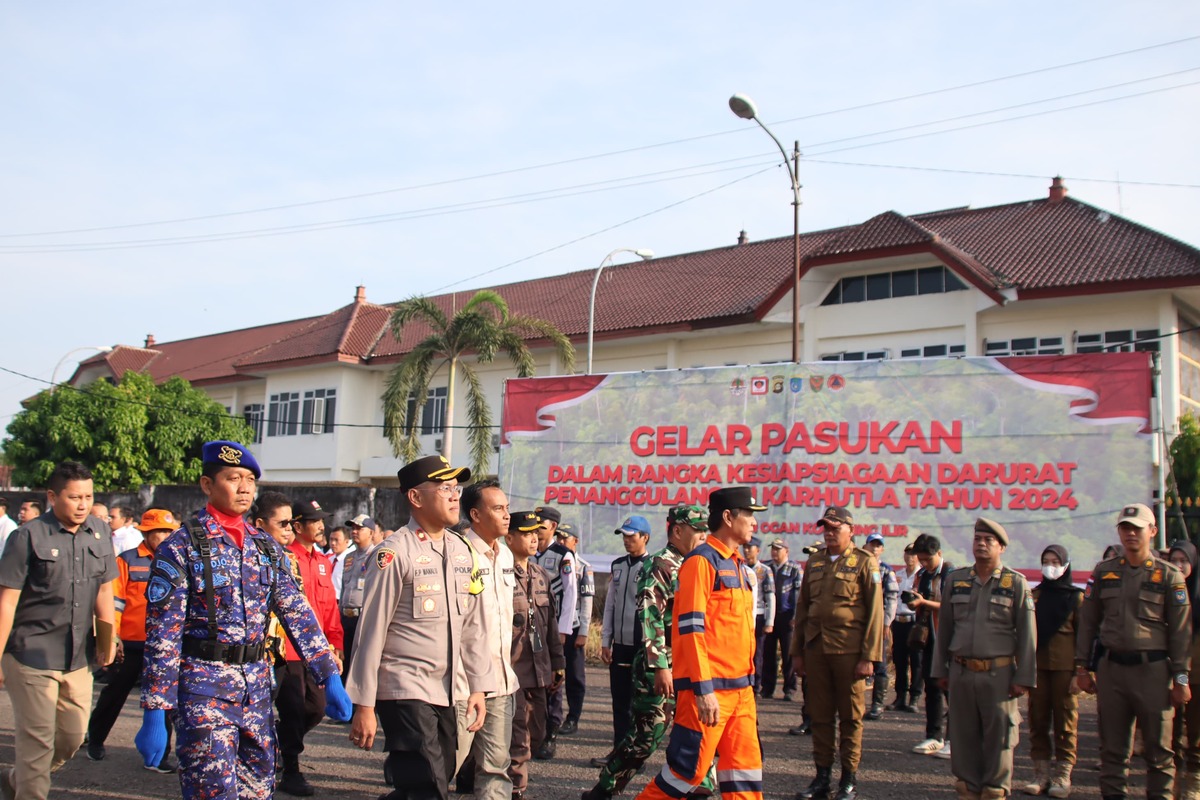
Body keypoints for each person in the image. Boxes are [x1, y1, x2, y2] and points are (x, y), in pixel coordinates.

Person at [135, 440, 351, 800]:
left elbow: (297, 612)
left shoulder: (266, 548)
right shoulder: (181, 547)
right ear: (207, 485)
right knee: (213, 792)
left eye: (250, 479)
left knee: (258, 790)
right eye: (234, 478)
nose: (245, 487)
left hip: (257, 689)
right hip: (204, 690)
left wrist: (328, 674)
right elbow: (163, 634)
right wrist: (156, 709)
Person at [346, 454, 493, 800]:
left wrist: (478, 686)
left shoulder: (461, 550)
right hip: (404, 687)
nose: (456, 495)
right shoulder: (394, 553)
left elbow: (470, 625)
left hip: (447, 690)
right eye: (445, 488)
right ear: (415, 497)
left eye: (456, 487)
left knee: (434, 778)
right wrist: (364, 705)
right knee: (429, 787)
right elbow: (371, 630)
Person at [631, 486, 766, 800]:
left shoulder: (740, 567)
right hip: (710, 691)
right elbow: (690, 631)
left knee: (744, 774)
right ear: (729, 517)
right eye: (749, 515)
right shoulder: (700, 563)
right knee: (685, 772)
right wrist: (703, 691)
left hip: (741, 691)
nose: (754, 523)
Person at [0, 461, 117, 800]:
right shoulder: (27, 537)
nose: (82, 504)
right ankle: (28, 787)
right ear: (53, 496)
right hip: (30, 655)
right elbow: (6, 602)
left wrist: (108, 640)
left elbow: (105, 590)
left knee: (72, 738)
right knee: (38, 742)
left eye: (88, 496)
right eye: (73, 497)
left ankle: (15, 780)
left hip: (78, 657)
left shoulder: (100, 532)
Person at [584, 503, 713, 800]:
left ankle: (702, 785)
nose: (704, 535)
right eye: (698, 530)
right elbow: (650, 615)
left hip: (690, 664)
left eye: (706, 530)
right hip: (661, 664)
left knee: (697, 728)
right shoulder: (660, 564)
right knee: (646, 735)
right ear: (678, 530)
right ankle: (604, 788)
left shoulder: (699, 563)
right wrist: (660, 665)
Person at [1075, 503, 1192, 800]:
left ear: (1152, 532)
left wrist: (1180, 677)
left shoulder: (1169, 576)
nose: (1130, 534)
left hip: (1152, 671)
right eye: (1125, 528)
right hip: (1112, 670)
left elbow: (1180, 632)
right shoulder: (1104, 572)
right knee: (1112, 752)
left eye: (1137, 528)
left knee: (1159, 753)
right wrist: (1081, 666)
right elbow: (1088, 621)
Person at [930, 518, 1036, 800]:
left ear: (1001, 547)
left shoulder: (1016, 583)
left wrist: (1024, 677)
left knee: (999, 739)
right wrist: (940, 669)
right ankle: (968, 790)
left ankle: (995, 791)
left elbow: (1027, 634)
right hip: (962, 673)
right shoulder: (957, 580)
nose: (981, 544)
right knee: (963, 737)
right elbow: (945, 629)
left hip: (999, 675)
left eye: (988, 540)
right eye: (977, 539)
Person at [792, 506, 883, 800]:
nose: (829, 534)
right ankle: (822, 777)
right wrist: (797, 652)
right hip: (816, 649)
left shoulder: (864, 562)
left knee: (850, 717)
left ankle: (848, 779)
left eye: (835, 528)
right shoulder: (815, 561)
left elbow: (875, 614)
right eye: (826, 529)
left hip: (849, 650)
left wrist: (869, 656)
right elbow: (803, 607)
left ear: (850, 531)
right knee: (819, 716)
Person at [86, 508, 180, 771]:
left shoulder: (178, 562)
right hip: (130, 644)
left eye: (167, 531)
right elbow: (113, 603)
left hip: (163, 647)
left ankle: (160, 756)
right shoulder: (127, 560)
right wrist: (112, 639)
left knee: (164, 701)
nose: (163, 536)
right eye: (158, 531)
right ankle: (95, 740)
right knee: (114, 694)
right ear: (146, 532)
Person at [454, 480, 519, 800]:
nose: (507, 515)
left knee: (496, 767)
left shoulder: (506, 556)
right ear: (476, 515)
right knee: (444, 765)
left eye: (507, 508)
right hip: (461, 684)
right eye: (498, 509)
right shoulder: (458, 553)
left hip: (500, 680)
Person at [277, 498, 344, 795]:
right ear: (297, 525)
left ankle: (276, 744)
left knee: (315, 709)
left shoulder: (322, 561)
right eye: (314, 521)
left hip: (318, 652)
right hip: (289, 650)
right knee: (291, 709)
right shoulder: (284, 558)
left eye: (321, 520)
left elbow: (329, 607)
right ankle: (290, 770)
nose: (321, 526)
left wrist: (335, 644)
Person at [506, 510, 565, 800]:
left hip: (539, 667)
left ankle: (474, 769)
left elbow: (550, 623)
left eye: (536, 533)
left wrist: (559, 663)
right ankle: (516, 788)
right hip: (510, 669)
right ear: (509, 537)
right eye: (527, 533)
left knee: (536, 733)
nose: (534, 538)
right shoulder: (499, 573)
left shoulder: (541, 574)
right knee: (517, 735)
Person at [1022, 544, 1084, 798]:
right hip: (1038, 668)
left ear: (1066, 565)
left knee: (1065, 722)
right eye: (1046, 560)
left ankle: (1062, 774)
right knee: (1037, 720)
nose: (1051, 565)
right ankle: (1041, 773)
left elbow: (1084, 636)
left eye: (1056, 561)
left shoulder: (1075, 598)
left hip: (1065, 670)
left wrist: (1081, 672)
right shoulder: (1034, 596)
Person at [598, 515, 651, 763]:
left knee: (638, 705)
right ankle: (619, 752)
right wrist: (605, 640)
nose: (627, 541)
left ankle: (634, 755)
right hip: (619, 646)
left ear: (645, 538)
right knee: (619, 703)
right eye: (624, 536)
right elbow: (611, 604)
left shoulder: (652, 566)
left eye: (632, 536)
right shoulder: (617, 565)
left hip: (642, 646)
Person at [532, 505, 577, 759]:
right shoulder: (528, 552)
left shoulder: (563, 555)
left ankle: (551, 732)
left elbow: (570, 594)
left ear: (552, 527)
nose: (536, 527)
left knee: (553, 680)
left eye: (541, 523)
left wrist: (563, 629)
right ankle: (533, 731)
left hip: (553, 628)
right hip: (529, 628)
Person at [908, 534, 954, 757]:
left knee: (951, 691)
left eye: (928, 559)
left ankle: (955, 739)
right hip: (927, 637)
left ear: (940, 554)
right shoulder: (921, 575)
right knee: (932, 687)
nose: (925, 563)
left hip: (949, 639)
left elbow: (953, 606)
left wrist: (924, 602)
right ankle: (934, 736)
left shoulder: (952, 574)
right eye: (921, 559)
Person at [557, 522, 594, 737]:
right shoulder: (555, 560)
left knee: (574, 675)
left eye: (566, 538)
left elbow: (587, 601)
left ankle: (573, 717)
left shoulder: (582, 566)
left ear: (575, 541)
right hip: (556, 624)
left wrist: (584, 632)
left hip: (575, 627)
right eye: (559, 538)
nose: (562, 542)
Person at [861, 532, 900, 720]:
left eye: (878, 545)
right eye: (872, 544)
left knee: (880, 663)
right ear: (865, 546)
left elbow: (892, 598)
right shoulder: (859, 566)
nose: (875, 548)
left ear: (882, 549)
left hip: (878, 623)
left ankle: (877, 704)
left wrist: (886, 622)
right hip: (859, 622)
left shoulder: (886, 570)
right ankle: (856, 703)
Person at [762, 538, 801, 701]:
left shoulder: (794, 568)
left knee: (788, 654)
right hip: (770, 615)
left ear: (786, 551)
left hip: (787, 616)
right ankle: (767, 688)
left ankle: (790, 688)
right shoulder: (767, 567)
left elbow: (798, 594)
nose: (774, 552)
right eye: (773, 549)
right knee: (768, 653)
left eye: (778, 549)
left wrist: (795, 616)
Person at [339, 514, 378, 675]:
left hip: (363, 617)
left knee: (361, 664)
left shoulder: (376, 554)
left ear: (371, 533)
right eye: (353, 528)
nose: (354, 531)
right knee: (346, 662)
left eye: (359, 528)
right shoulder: (349, 557)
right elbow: (343, 588)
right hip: (346, 618)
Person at [891, 543, 923, 712]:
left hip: (914, 621)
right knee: (899, 659)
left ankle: (915, 697)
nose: (910, 557)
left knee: (916, 661)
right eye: (907, 553)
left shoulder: (922, 575)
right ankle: (900, 696)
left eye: (913, 554)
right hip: (899, 621)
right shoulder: (898, 575)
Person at [743, 536, 776, 697]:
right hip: (743, 616)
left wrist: (769, 621)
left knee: (758, 653)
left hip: (759, 615)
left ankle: (756, 685)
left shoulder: (764, 570)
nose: (747, 550)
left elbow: (770, 597)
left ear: (758, 550)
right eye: (745, 547)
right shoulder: (740, 567)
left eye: (751, 547)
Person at [328, 525, 353, 602]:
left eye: (336, 540)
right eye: (331, 539)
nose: (333, 543)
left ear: (347, 541)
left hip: (341, 601)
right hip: (328, 600)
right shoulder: (329, 559)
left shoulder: (351, 560)